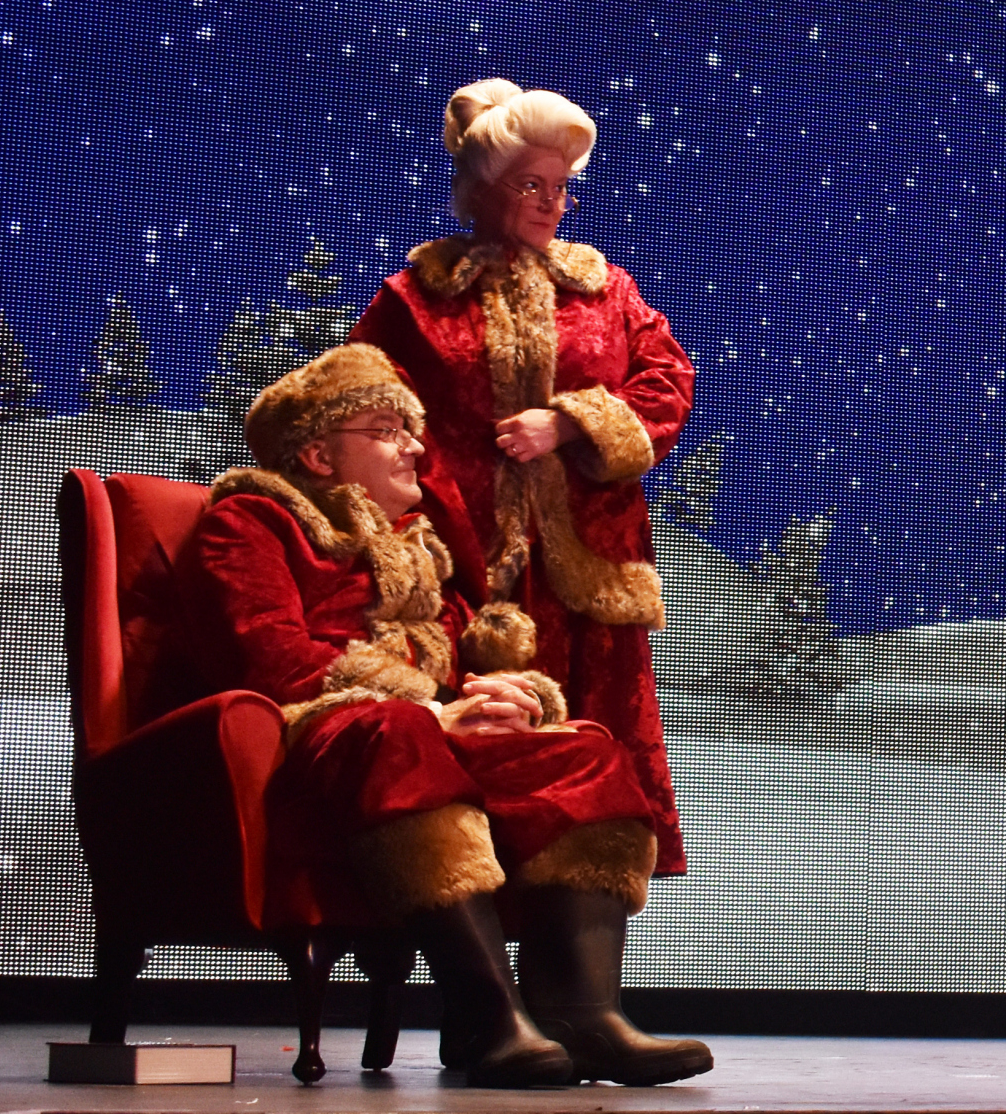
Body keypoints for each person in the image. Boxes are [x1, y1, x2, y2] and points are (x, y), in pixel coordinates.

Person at [175, 343, 712, 1087]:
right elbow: (272, 659)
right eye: (385, 431)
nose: (413, 448)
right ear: (319, 455)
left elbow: (461, 668)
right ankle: (486, 1018)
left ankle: (581, 1015)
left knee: (585, 750)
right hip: (323, 739)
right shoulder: (251, 522)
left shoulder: (417, 548)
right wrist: (431, 710)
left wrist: (504, 696)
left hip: (426, 732)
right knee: (396, 734)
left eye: (409, 430)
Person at [348, 79, 699, 1070]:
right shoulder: (415, 299)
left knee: (592, 766)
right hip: (467, 584)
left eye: (562, 185)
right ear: (479, 186)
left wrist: (574, 420)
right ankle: (491, 1016)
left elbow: (667, 380)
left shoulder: (605, 287)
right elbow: (368, 412)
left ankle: (582, 1007)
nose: (552, 202)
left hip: (585, 584)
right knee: (483, 764)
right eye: (531, 183)